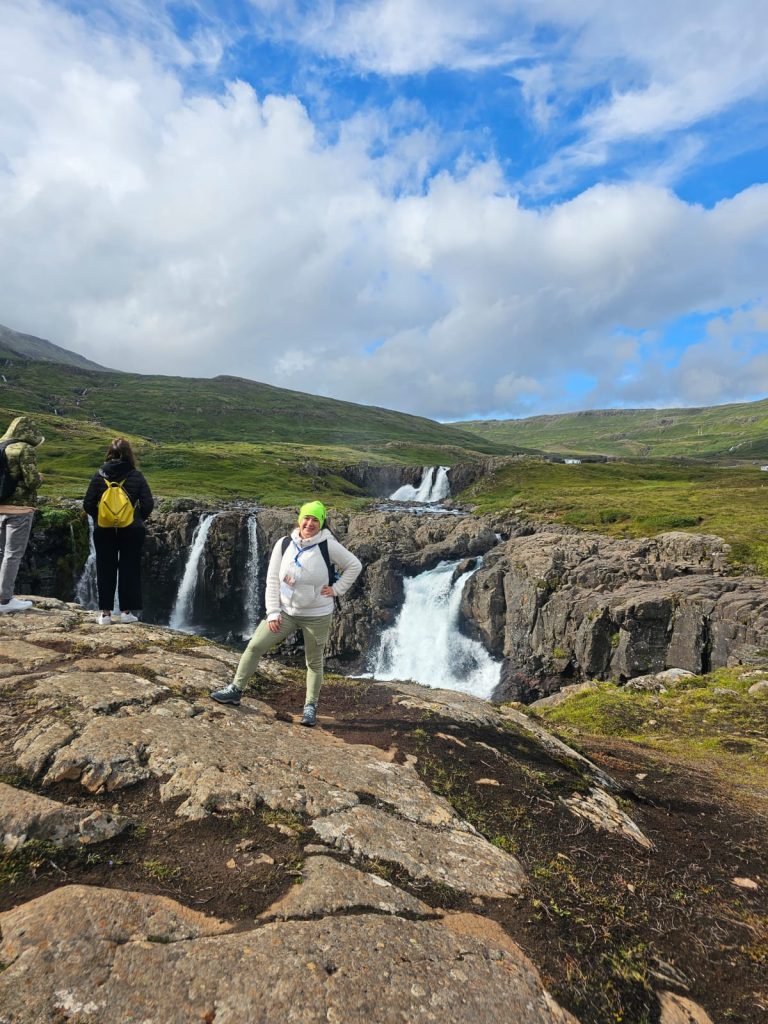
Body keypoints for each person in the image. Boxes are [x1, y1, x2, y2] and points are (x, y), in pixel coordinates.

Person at [210, 500, 362, 726]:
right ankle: (235, 690)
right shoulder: (283, 544)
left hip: (317, 614)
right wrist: (273, 612)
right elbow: (272, 579)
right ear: (299, 519)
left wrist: (337, 590)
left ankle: (310, 708)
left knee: (314, 662)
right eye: (307, 518)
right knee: (254, 646)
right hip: (286, 612)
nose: (310, 523)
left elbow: (355, 565)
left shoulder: (327, 545)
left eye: (316, 520)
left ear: (322, 523)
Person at [83, 438, 154, 625]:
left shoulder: (99, 475)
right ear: (129, 453)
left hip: (104, 529)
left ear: (109, 453)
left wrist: (101, 518)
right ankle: (125, 613)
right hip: (131, 529)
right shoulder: (136, 475)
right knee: (129, 568)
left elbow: (88, 503)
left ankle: (105, 615)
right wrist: (135, 518)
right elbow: (148, 503)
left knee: (104, 568)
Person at [0, 416, 45, 613]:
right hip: (20, 508)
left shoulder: (1, 446)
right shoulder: (24, 449)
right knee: (13, 554)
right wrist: (40, 477)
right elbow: (32, 481)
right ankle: (5, 600)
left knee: (1, 553)